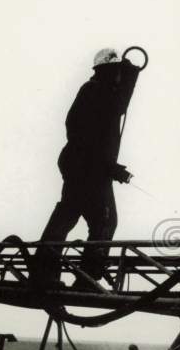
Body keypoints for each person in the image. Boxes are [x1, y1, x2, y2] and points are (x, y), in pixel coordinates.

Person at [33, 48, 140, 287]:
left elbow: (110, 114)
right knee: (103, 221)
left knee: (70, 215)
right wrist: (132, 74)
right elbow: (100, 124)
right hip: (87, 168)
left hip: (84, 166)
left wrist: (111, 167)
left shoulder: (96, 90)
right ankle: (86, 278)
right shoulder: (97, 91)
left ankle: (45, 274)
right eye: (118, 72)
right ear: (110, 71)